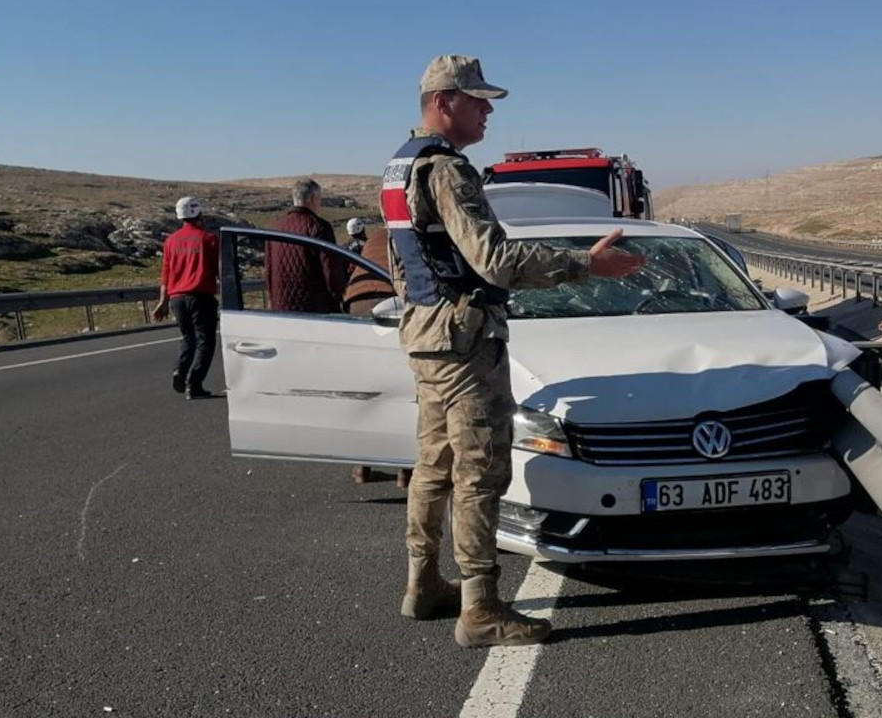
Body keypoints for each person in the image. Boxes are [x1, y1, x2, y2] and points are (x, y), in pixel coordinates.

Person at [384, 54, 644, 647]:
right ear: (443, 100)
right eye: (478, 100)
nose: (488, 111)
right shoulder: (447, 170)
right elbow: (495, 260)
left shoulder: (398, 166)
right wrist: (587, 264)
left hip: (427, 334)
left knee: (434, 466)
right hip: (464, 340)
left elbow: (405, 263)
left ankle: (422, 583)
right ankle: (480, 609)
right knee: (479, 470)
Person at [343, 218, 413, 489]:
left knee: (368, 392)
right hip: (392, 309)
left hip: (358, 306)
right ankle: (404, 470)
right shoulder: (406, 238)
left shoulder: (373, 241)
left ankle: (362, 465)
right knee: (402, 394)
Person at [151, 196, 220, 399]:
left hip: (176, 299)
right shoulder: (209, 239)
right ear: (198, 213)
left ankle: (179, 370)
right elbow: (218, 270)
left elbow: (166, 273)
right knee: (205, 342)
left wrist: (163, 301)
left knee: (188, 338)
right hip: (200, 297)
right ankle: (194, 384)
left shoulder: (171, 241)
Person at [265, 179, 347, 313]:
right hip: (314, 309)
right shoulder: (319, 227)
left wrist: (273, 300)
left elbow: (268, 269)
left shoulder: (275, 228)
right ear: (312, 198)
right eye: (320, 198)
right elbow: (330, 270)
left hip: (281, 308)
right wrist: (340, 298)